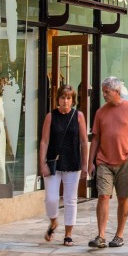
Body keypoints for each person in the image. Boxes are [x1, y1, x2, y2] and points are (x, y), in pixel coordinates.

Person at [87, 76, 128, 249]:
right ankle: (100, 236)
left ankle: (119, 235)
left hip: (125, 162)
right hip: (104, 161)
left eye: (106, 92)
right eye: (103, 92)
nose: (104, 95)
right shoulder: (100, 112)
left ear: (117, 91)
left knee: (123, 198)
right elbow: (96, 138)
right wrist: (90, 162)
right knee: (103, 196)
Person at [39, 85, 89, 247]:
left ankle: (68, 235)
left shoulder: (78, 116)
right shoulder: (50, 117)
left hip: (73, 162)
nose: (65, 101)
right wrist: (42, 163)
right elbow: (44, 141)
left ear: (73, 100)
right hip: (54, 163)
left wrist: (85, 164)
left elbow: (83, 141)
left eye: (69, 98)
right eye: (62, 97)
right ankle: (53, 221)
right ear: (58, 99)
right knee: (51, 198)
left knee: (70, 199)